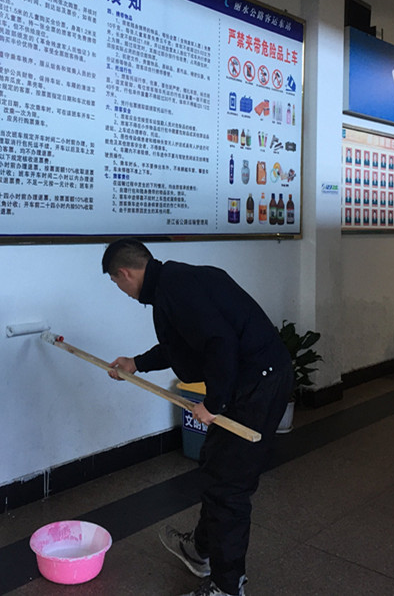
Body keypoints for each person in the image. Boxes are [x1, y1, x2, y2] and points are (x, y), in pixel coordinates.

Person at [102, 239, 293, 596]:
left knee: (228, 486)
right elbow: (183, 344)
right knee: (218, 467)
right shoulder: (173, 283)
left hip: (256, 385)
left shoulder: (176, 289)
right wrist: (137, 363)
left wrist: (214, 403)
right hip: (255, 379)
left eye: (117, 283)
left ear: (124, 273)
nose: (122, 291)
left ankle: (227, 586)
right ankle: (201, 549)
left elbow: (220, 342)